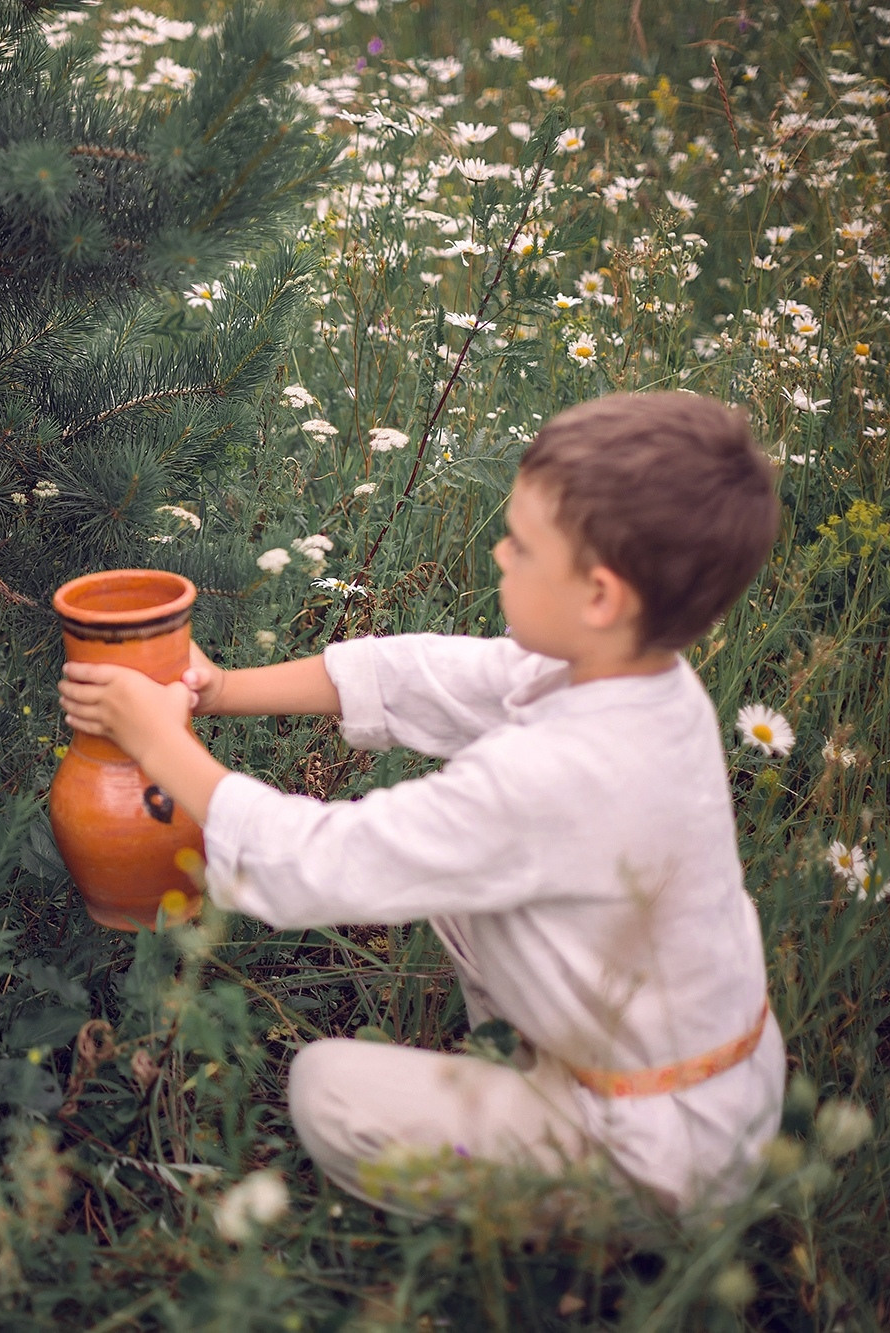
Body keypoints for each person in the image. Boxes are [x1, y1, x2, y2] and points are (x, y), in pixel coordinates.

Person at [58, 392, 785, 1218]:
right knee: (467, 889)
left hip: (653, 1146)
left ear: (600, 597)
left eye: (521, 544)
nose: (500, 552)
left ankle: (600, 1218)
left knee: (328, 1090)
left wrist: (158, 743)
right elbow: (423, 677)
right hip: (702, 1072)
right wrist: (220, 689)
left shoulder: (557, 775)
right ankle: (527, 1077)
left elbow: (319, 863)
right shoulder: (642, 680)